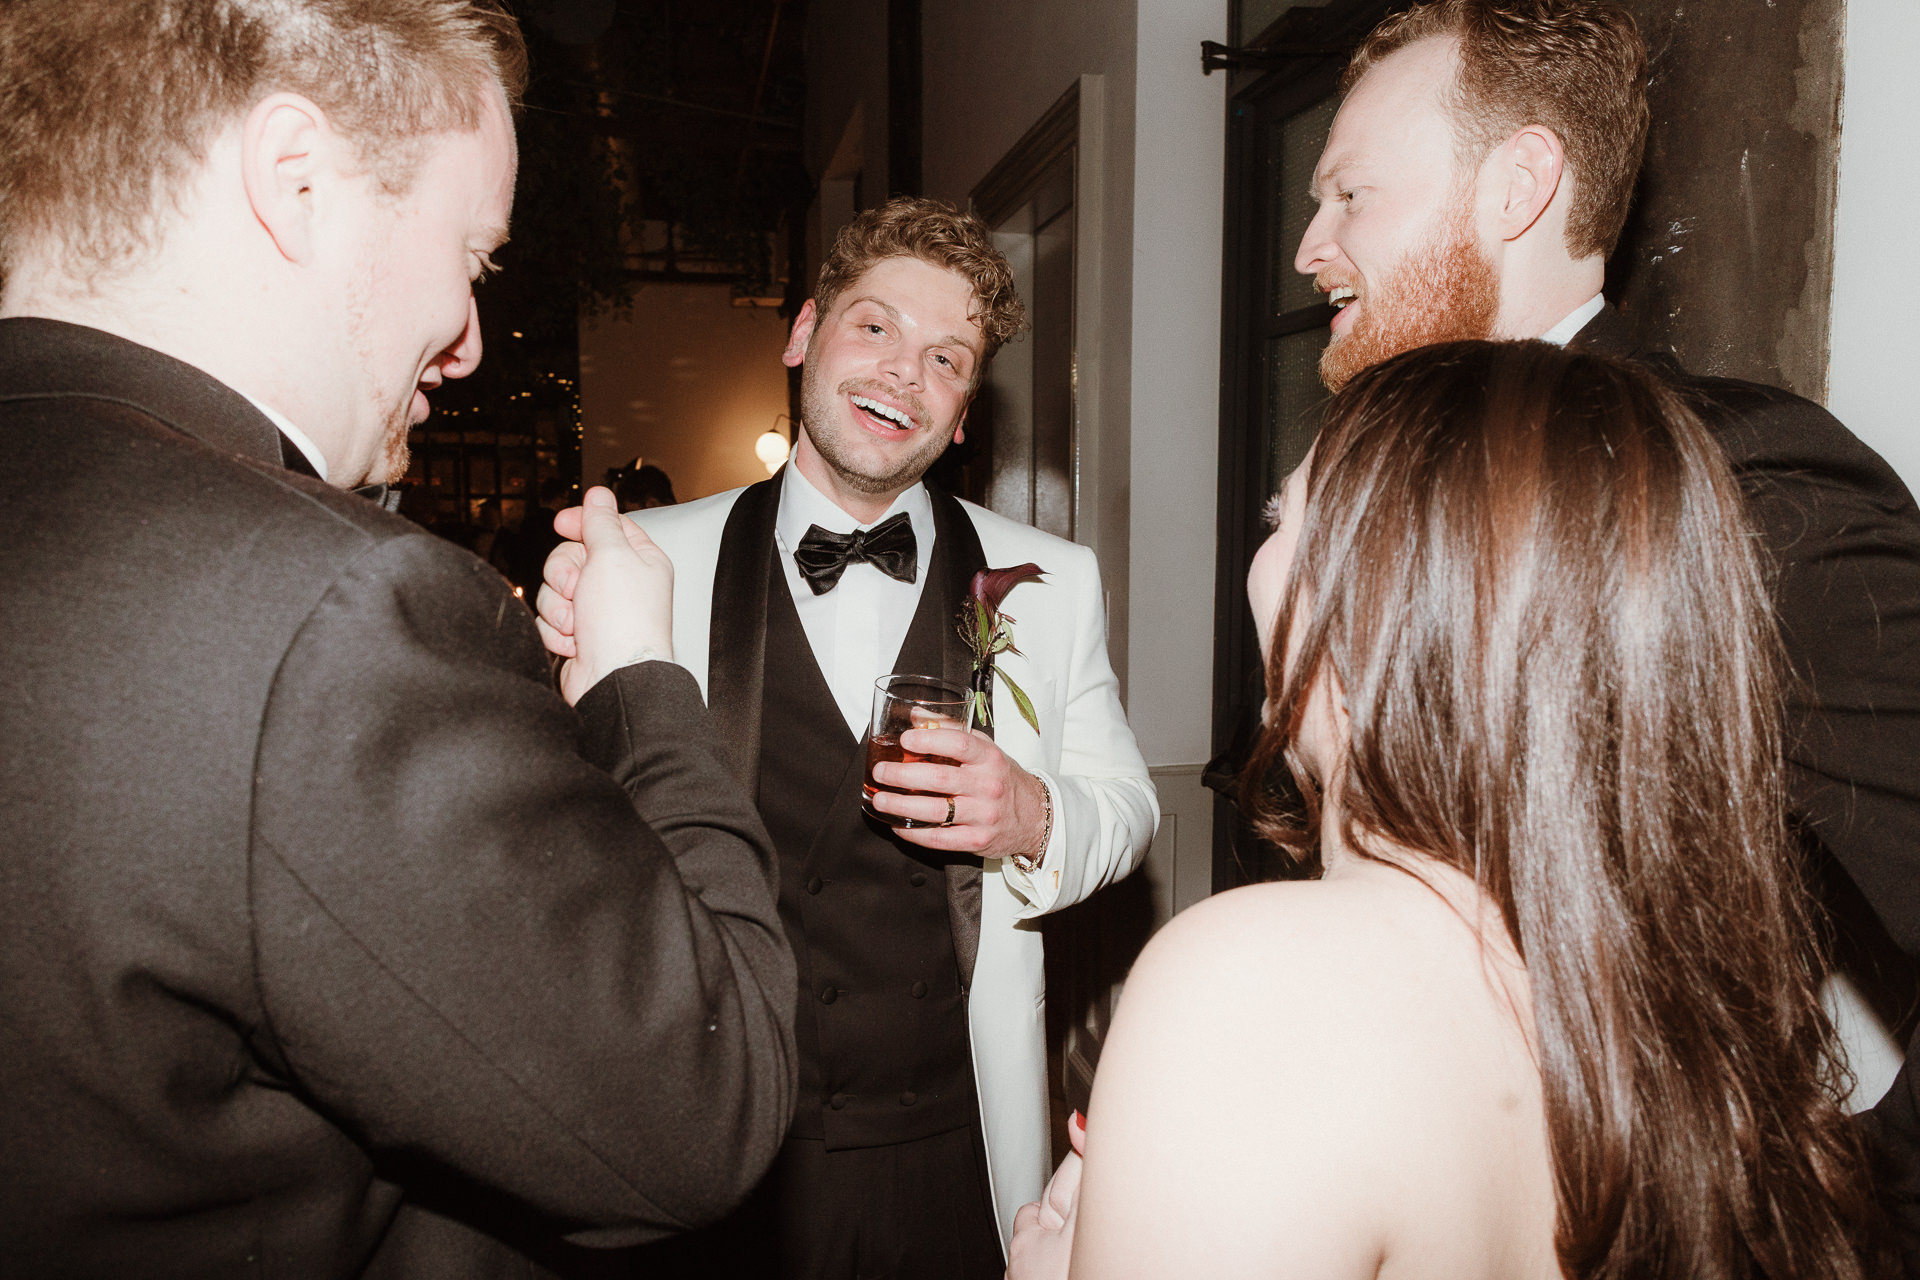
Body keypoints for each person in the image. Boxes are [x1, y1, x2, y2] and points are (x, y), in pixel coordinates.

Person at [0, 2, 794, 1276]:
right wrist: (641, 681)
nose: (470, 341)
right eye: (472, 255)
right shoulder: (331, 615)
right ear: (296, 179)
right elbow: (715, 1101)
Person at [1008, 340, 1892, 1279]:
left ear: (1374, 592)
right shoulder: (1691, 993)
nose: (1258, 562)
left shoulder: (1257, 991)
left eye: (1281, 517)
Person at [1287, 0, 1920, 1253]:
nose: (1311, 247)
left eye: (1351, 195)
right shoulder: (1376, 502)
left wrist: (1860, 1209)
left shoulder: (1736, 475)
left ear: (1519, 184)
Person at [549, 196, 1157, 1278]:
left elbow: (1131, 809)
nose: (902, 374)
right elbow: (567, 852)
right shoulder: (642, 560)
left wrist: (1030, 813)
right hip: (727, 1149)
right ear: (804, 333)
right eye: (875, 326)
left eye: (945, 358)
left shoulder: (1054, 583)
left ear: (963, 413)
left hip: (953, 1144)